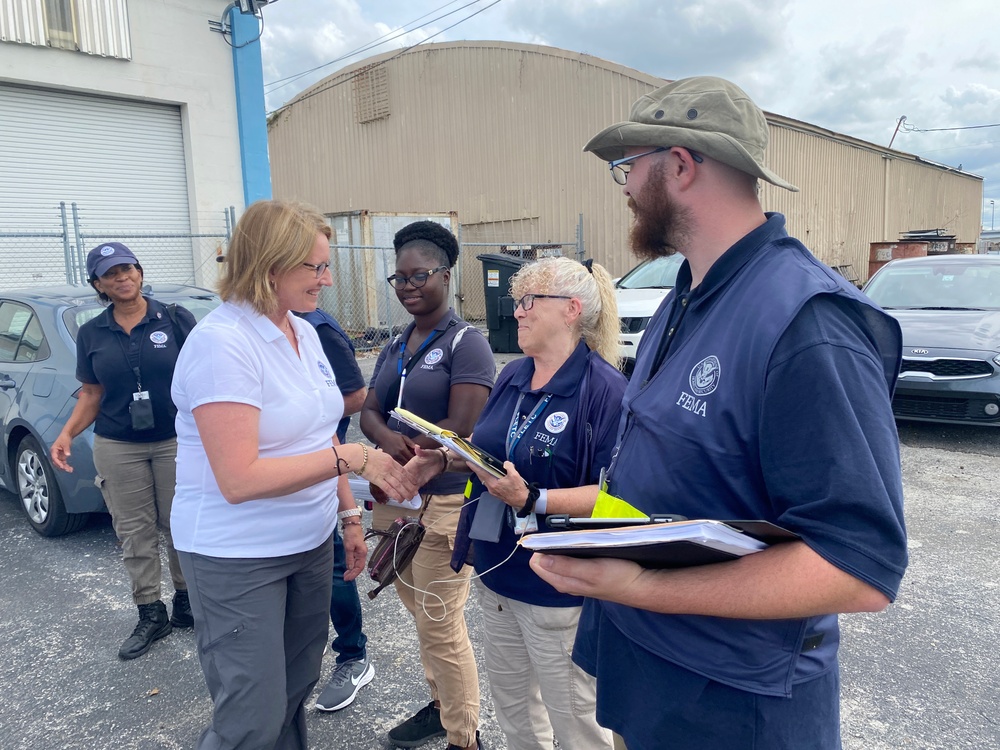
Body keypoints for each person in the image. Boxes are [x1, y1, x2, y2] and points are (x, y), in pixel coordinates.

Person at [529, 76, 909, 750]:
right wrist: (581, 530)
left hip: (737, 709)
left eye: (629, 165)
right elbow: (660, 476)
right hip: (655, 685)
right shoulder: (682, 300)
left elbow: (857, 566)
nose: (621, 186)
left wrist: (642, 585)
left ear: (679, 166)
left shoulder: (807, 322)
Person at [170, 199, 416, 750]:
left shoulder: (301, 333)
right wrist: (352, 461)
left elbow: (319, 432)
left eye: (326, 266)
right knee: (250, 716)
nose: (327, 280)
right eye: (315, 267)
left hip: (306, 542)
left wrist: (349, 517)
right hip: (236, 555)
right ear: (269, 264)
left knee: (293, 690)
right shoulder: (222, 344)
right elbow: (239, 478)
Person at [408, 256, 625, 750]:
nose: (518, 311)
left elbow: (622, 497)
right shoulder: (514, 375)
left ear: (571, 309)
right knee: (516, 718)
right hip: (497, 573)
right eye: (518, 300)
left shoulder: (605, 391)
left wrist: (535, 498)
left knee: (577, 726)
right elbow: (490, 454)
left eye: (530, 301)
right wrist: (442, 460)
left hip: (559, 586)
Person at [359, 220, 495, 750]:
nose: (409, 286)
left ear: (446, 274)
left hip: (443, 506)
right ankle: (442, 707)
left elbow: (464, 435)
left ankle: (465, 737)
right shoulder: (397, 343)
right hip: (395, 499)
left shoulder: (468, 344)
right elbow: (370, 411)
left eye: (420, 276)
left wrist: (417, 448)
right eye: (400, 278)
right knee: (418, 610)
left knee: (439, 620)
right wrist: (391, 444)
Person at [50, 241, 195, 660]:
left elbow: (204, 377)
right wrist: (66, 434)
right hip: (118, 445)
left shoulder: (174, 319)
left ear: (140, 272)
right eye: (111, 273)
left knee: (181, 524)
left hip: (175, 441)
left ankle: (187, 603)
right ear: (98, 284)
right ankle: (151, 612)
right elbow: (92, 393)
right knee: (135, 532)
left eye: (128, 268)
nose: (123, 277)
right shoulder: (92, 332)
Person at [294, 307, 376, 711]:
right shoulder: (241, 329)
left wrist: (303, 422)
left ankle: (352, 655)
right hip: (277, 489)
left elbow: (357, 394)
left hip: (325, 469)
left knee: (334, 570)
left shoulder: (315, 327)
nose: (323, 279)